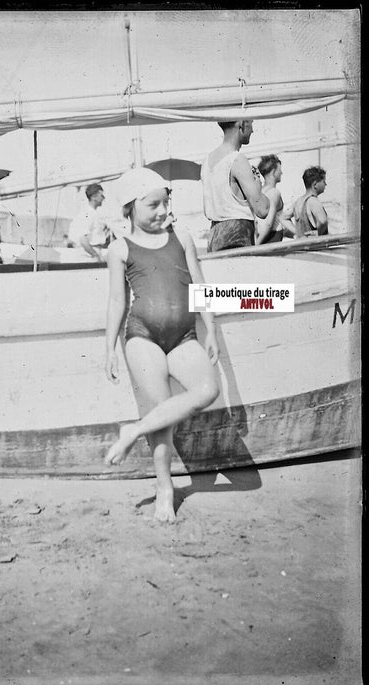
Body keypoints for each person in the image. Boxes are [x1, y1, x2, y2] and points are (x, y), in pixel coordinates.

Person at [105, 167, 220, 524]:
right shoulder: (119, 248)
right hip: (142, 336)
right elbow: (116, 302)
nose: (161, 211)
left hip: (183, 336)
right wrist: (108, 347)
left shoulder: (182, 237)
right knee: (162, 418)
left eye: (164, 202)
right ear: (130, 208)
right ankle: (165, 489)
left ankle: (132, 431)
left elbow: (200, 286)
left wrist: (211, 330)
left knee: (208, 389)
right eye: (152, 205)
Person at [201, 120, 270, 252]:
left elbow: (207, 210)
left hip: (214, 236)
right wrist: (258, 188)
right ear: (242, 124)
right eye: (251, 123)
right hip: (237, 236)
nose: (253, 130)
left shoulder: (207, 161)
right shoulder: (237, 159)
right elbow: (262, 210)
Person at [254, 155, 296, 244]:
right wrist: (256, 245)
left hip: (260, 237)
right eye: (279, 170)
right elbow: (268, 224)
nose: (282, 173)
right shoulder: (274, 193)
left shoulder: (260, 191)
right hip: (270, 239)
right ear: (273, 172)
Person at [68, 183, 114, 262]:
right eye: (101, 196)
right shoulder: (88, 214)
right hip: (88, 256)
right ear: (94, 197)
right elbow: (83, 240)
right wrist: (96, 256)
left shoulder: (93, 214)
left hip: (94, 252)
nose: (104, 198)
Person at [292, 166, 328, 237]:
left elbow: (284, 217)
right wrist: (318, 234)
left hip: (302, 245)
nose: (326, 184)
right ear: (315, 185)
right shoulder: (313, 200)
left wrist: (298, 233)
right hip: (316, 246)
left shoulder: (298, 202)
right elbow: (323, 221)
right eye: (323, 181)